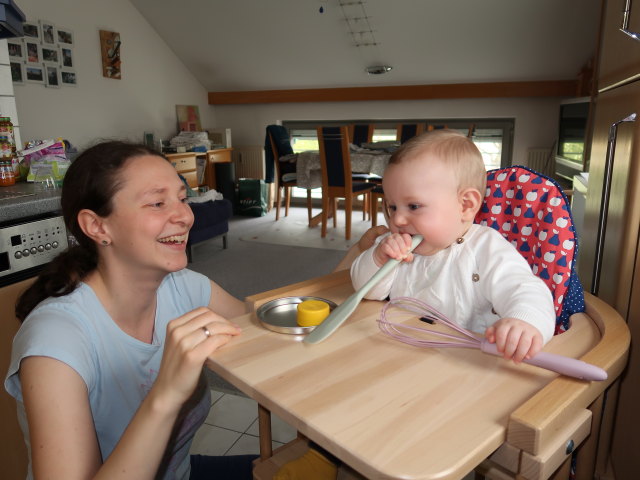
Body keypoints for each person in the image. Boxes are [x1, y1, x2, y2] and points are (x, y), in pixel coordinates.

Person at [4, 141, 256, 480]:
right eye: (157, 202)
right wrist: (165, 395)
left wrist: (351, 266)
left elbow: (267, 335)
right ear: (97, 226)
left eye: (182, 198)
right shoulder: (56, 343)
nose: (185, 215)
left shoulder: (183, 285)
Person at [350, 129, 556, 363]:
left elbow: (526, 290)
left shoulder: (485, 248)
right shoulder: (393, 245)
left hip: (464, 361)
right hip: (401, 351)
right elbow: (365, 291)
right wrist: (378, 258)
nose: (397, 220)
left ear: (466, 205)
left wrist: (524, 322)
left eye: (414, 206)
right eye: (392, 206)